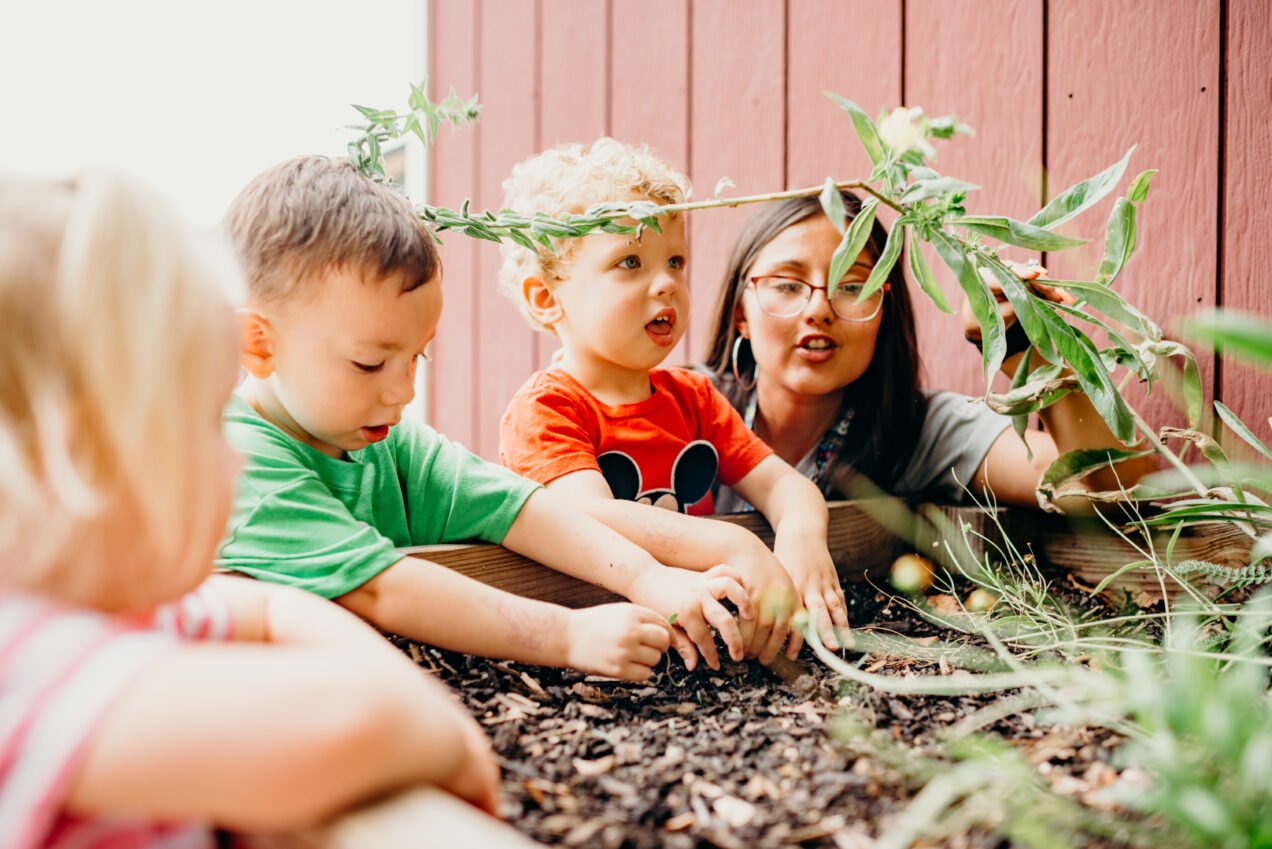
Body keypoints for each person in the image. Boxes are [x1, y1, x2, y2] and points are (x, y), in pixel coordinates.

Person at [0, 172, 503, 847]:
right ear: (84, 458)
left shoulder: (118, 608)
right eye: (210, 420)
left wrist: (410, 699)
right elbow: (347, 727)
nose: (237, 454)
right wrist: (447, 735)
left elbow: (275, 608)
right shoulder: (24, 665)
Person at [217, 154, 754, 680]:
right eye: (370, 363)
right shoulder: (236, 466)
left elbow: (518, 508)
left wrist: (647, 579)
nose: (403, 391)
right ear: (258, 344)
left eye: (417, 356)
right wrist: (567, 635)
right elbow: (381, 587)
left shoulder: (390, 444)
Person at [497, 138, 849, 661]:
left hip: (704, 632)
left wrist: (801, 541)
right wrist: (735, 543)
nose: (666, 283)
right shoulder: (547, 409)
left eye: (676, 260)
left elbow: (784, 485)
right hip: (598, 645)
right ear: (547, 298)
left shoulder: (693, 398)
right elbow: (589, 516)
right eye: (630, 261)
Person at [701, 189, 1156, 510]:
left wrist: (1020, 346)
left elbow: (1114, 488)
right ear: (741, 312)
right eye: (787, 284)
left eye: (854, 285)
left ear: (886, 311)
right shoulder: (682, 407)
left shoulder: (916, 430)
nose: (819, 309)